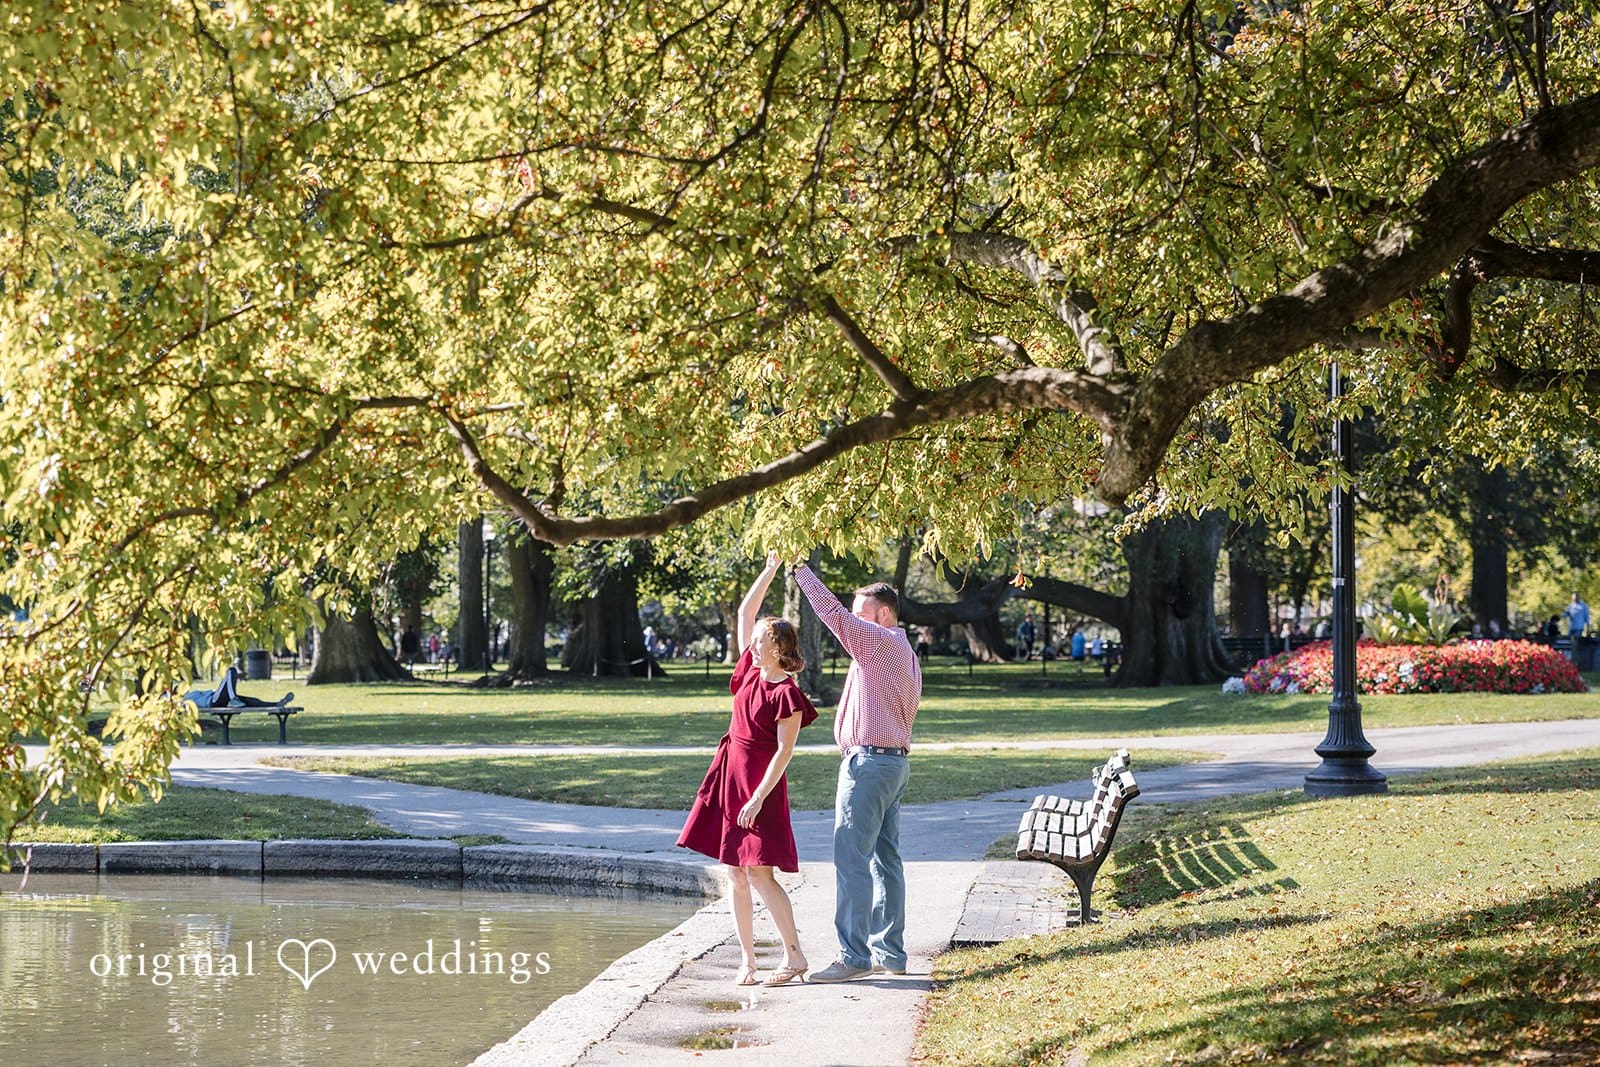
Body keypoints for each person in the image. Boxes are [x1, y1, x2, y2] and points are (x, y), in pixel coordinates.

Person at [677, 552, 816, 988]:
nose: (752, 644)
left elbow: (784, 753)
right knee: (735, 872)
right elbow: (744, 611)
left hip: (761, 787)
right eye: (753, 640)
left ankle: (795, 956)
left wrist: (758, 798)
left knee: (760, 872)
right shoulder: (749, 672)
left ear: (776, 648)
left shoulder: (786, 694)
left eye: (759, 641)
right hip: (729, 776)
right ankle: (748, 961)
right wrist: (773, 564)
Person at [792, 559, 922, 983]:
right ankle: (891, 953)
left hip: (869, 765)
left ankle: (854, 957)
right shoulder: (904, 651)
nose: (853, 624)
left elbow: (831, 614)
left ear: (883, 615)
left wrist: (800, 570)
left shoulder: (879, 642)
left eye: (861, 615)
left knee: (851, 860)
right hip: (892, 763)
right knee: (886, 860)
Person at [182, 665, 294, 709]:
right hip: (213, 701)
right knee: (231, 671)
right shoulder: (185, 699)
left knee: (249, 701)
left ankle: (277, 704)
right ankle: (233, 699)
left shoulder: (190, 694)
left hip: (216, 698)